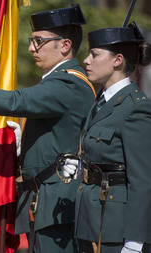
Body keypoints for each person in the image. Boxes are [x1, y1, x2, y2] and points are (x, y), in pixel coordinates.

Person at [0, 4, 96, 253]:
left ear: (65, 45)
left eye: (38, 41)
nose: (31, 48)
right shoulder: (62, 80)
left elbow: (15, 101)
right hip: (45, 202)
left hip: (57, 205)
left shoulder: (68, 83)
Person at [62, 22, 151, 253]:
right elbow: (109, 161)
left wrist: (134, 242)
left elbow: (143, 181)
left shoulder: (135, 108)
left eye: (94, 54)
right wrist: (81, 168)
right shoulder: (101, 102)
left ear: (117, 60)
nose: (86, 61)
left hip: (115, 230)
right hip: (90, 222)